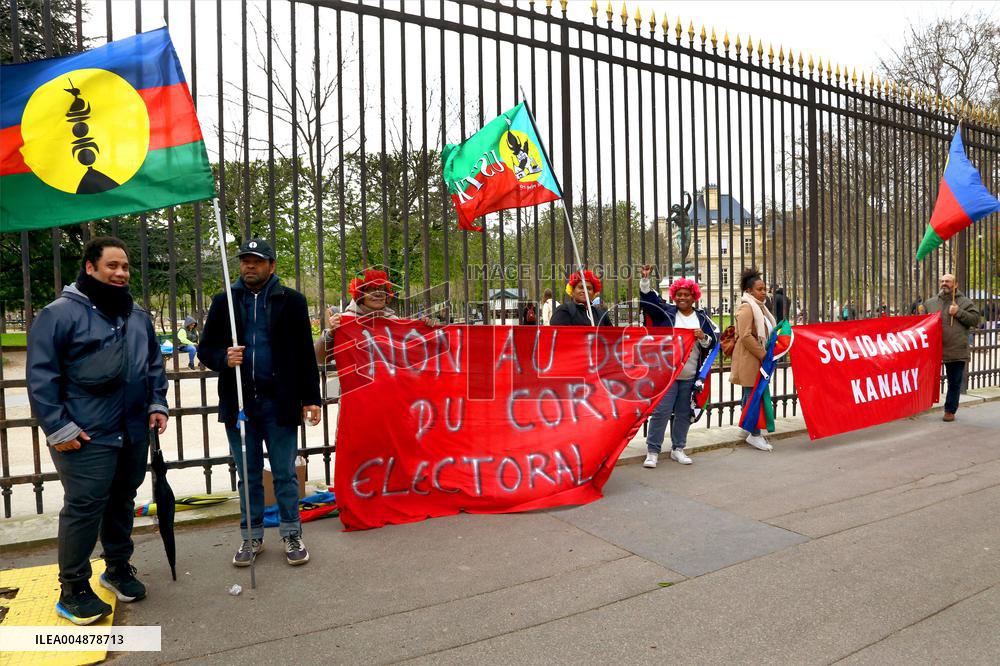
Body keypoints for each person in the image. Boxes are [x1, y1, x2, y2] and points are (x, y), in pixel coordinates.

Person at [26, 237, 168, 625]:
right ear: (90, 267)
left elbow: (153, 364)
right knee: (85, 507)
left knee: (122, 500)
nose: (120, 273)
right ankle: (72, 588)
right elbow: (41, 377)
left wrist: (157, 404)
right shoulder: (58, 314)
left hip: (132, 429)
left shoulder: (137, 316)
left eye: (125, 267)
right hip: (85, 435)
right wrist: (58, 427)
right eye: (112, 266)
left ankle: (118, 567)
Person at [199, 239, 321, 567]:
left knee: (283, 472)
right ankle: (251, 536)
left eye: (257, 261)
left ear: (272, 266)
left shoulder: (292, 301)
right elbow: (205, 349)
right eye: (245, 261)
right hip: (240, 405)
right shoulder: (224, 301)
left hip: (278, 403)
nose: (249, 266)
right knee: (248, 474)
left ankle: (291, 533)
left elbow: (304, 354)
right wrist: (223, 357)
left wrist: (311, 398)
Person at [638, 265, 718, 467]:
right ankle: (653, 451)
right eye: (679, 294)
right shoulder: (666, 313)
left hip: (690, 376)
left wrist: (703, 337)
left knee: (684, 413)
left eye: (687, 294)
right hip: (668, 374)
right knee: (661, 412)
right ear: (674, 296)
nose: (682, 297)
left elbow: (713, 343)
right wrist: (645, 281)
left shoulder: (701, 318)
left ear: (694, 297)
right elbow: (648, 303)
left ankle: (678, 448)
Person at [924, 273, 981, 422]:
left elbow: (976, 320)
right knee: (925, 378)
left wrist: (958, 312)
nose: (944, 283)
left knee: (954, 382)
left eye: (948, 281)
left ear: (955, 285)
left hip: (956, 349)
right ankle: (922, 404)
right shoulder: (930, 302)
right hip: (934, 349)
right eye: (942, 281)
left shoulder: (966, 302)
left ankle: (950, 410)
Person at [731, 266, 775, 451]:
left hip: (753, 359)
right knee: (753, 397)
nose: (764, 292)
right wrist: (764, 354)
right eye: (759, 289)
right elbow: (746, 336)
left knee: (750, 394)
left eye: (764, 289)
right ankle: (755, 434)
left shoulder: (759, 308)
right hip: (750, 359)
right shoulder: (747, 307)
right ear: (749, 291)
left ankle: (746, 427)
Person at [316, 268, 399, 362]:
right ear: (360, 295)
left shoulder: (394, 320)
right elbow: (320, 359)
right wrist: (330, 334)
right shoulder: (343, 321)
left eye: (382, 290)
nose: (378, 294)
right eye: (371, 290)